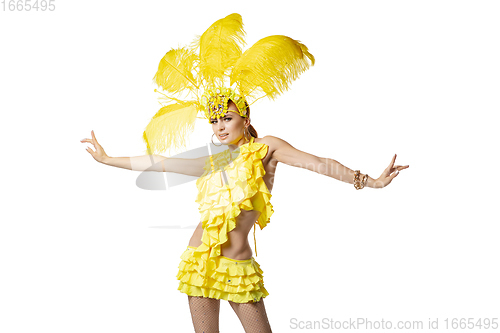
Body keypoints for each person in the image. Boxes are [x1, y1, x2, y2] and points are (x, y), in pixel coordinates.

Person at [81, 13, 409, 333]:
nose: (220, 126)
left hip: (238, 267)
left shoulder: (268, 148)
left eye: (227, 117)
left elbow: (319, 162)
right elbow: (161, 163)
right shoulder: (213, 160)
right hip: (200, 262)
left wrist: (371, 181)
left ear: (245, 118)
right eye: (214, 120)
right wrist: (108, 159)